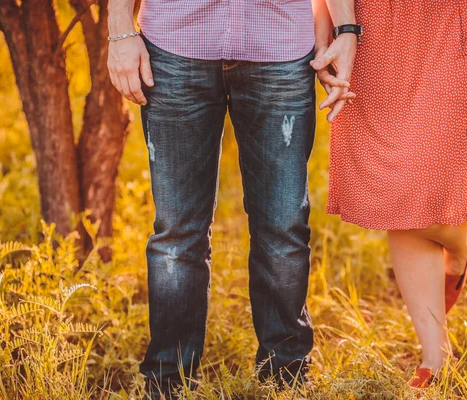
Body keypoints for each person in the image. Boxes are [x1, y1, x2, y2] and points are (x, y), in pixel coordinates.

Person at [106, 0, 331, 397]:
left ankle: (286, 380)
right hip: (173, 45)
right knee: (177, 234)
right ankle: (168, 383)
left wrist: (343, 31)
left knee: (283, 229)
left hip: (281, 47)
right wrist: (120, 29)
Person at [312, 0, 467, 389]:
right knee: (398, 194)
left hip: (450, 27)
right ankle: (436, 358)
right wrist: (326, 30)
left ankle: (458, 241)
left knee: (425, 187)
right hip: (367, 33)